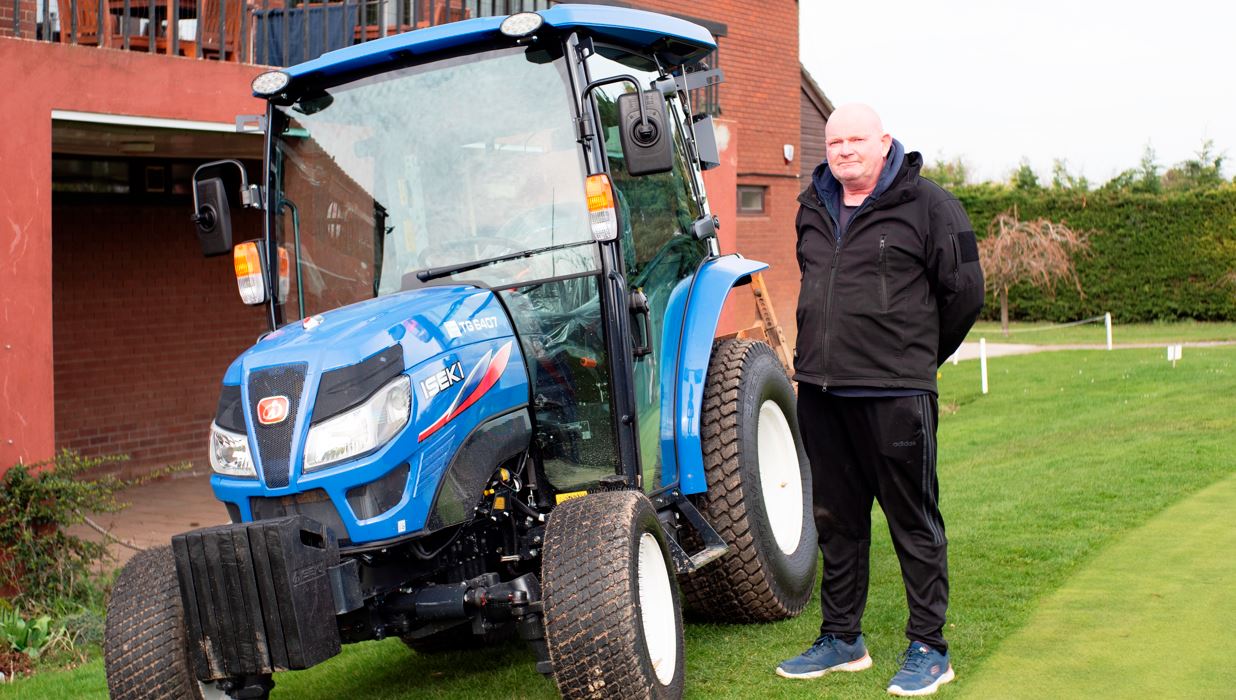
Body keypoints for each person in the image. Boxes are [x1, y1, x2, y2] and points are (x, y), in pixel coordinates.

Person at [777, 103, 984, 696]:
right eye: (834, 139)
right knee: (837, 522)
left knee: (912, 521)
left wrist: (914, 359)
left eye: (856, 139)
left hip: (896, 396)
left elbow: (965, 293)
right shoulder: (811, 207)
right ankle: (842, 639)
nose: (843, 149)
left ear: (884, 141)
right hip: (821, 392)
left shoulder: (931, 205)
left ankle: (930, 648)